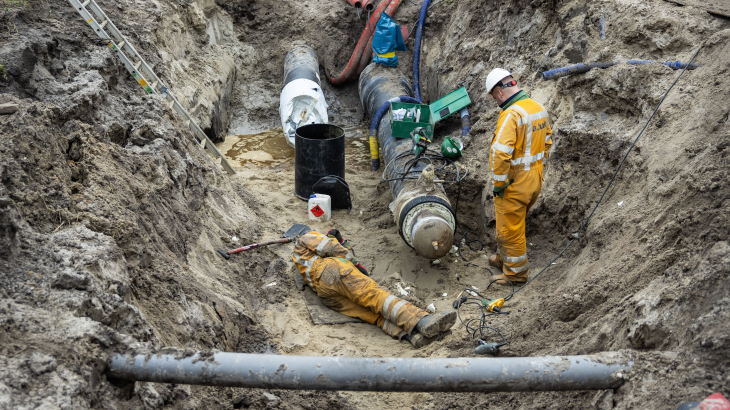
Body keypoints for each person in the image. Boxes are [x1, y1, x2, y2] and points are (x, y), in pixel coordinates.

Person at [292, 228, 456, 348]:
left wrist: (343, 243)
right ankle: (422, 320)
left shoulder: (300, 260)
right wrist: (355, 262)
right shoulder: (307, 236)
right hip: (333, 270)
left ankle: (412, 336)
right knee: (377, 297)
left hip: (326, 295)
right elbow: (330, 248)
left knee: (373, 315)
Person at [484, 68, 553, 285]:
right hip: (535, 178)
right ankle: (503, 258)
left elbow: (500, 153)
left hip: (514, 183)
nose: (497, 102)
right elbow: (548, 140)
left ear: (500, 93)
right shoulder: (537, 107)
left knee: (509, 230)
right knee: (513, 224)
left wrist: (499, 183)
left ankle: (515, 274)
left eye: (495, 97)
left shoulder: (511, 114)